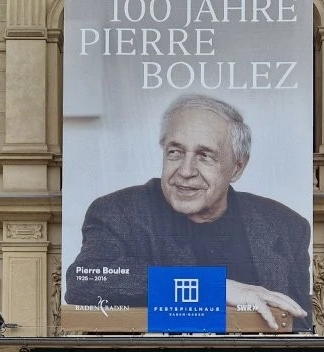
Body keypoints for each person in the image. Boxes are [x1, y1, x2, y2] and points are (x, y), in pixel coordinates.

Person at [65, 94, 311, 332]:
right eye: (175, 152)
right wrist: (214, 288)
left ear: (237, 167)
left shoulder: (285, 226)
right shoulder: (117, 213)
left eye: (205, 156)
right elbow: (85, 281)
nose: (185, 170)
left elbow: (301, 328)